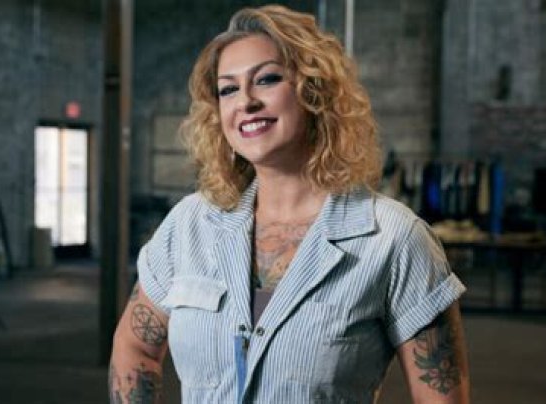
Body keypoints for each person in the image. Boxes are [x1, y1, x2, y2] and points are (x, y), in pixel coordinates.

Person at [109, 5, 470, 403]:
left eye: (266, 79)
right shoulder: (188, 225)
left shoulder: (394, 239)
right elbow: (135, 346)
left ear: (314, 92)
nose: (246, 101)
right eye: (228, 89)